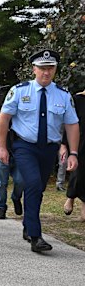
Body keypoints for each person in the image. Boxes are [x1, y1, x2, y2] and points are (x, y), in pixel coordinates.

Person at [0, 49, 79, 253]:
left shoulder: (62, 95)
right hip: (25, 145)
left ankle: (26, 221)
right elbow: (4, 119)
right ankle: (36, 236)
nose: (46, 72)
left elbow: (72, 125)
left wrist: (73, 153)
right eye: (42, 68)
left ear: (55, 69)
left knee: (38, 188)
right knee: (33, 183)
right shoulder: (20, 90)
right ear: (34, 69)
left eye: (50, 68)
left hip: (49, 148)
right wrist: (2, 147)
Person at [0, 85, 24, 219]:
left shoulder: (20, 110)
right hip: (1, 150)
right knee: (2, 183)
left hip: (17, 151)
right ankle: (1, 207)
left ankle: (16, 197)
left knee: (20, 180)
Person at [63, 90, 85, 221]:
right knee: (79, 171)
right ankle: (70, 197)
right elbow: (70, 123)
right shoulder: (77, 100)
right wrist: (64, 143)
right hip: (79, 141)